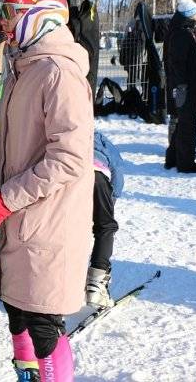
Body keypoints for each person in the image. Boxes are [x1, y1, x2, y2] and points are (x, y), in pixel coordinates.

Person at [0, 0, 93, 382]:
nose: (3, 21)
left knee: (42, 323)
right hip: (22, 218)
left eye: (11, 12)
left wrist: (6, 199)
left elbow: (70, 156)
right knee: (18, 311)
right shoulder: (25, 67)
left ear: (40, 16)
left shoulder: (59, 71)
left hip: (47, 220)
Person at [164, 0, 196, 173]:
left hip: (183, 86)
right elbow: (178, 62)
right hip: (185, 87)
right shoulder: (182, 33)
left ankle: (173, 158)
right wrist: (182, 86)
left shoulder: (180, 31)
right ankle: (186, 163)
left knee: (181, 123)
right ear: (189, 15)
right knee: (187, 124)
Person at [86, 130, 124, 308]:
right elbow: (117, 166)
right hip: (97, 176)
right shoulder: (99, 137)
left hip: (68, 173)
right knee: (106, 227)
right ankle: (96, 285)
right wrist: (112, 198)